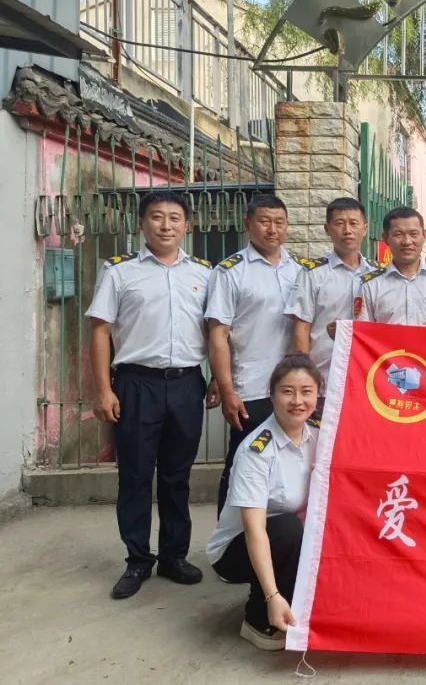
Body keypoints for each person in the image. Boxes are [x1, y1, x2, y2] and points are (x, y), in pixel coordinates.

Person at [86, 189, 216, 599]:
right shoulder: (119, 271)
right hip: (136, 384)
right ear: (142, 223)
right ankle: (138, 559)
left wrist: (216, 377)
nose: (165, 225)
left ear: (187, 225)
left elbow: (215, 331)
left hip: (186, 383)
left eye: (174, 218)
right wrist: (103, 389)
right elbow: (100, 331)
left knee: (177, 476)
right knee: (136, 476)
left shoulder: (204, 273)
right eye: (157, 217)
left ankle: (174, 556)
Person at [207, 354, 321, 651]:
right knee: (288, 529)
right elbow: (255, 529)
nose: (297, 401)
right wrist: (273, 596)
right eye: (287, 391)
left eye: (306, 392)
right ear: (271, 396)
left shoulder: (318, 437)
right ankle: (258, 617)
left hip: (286, 536)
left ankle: (295, 602)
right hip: (239, 548)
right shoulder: (256, 451)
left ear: (317, 395)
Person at [206, 194, 300, 514]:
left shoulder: (299, 270)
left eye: (279, 222)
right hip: (251, 387)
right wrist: (227, 389)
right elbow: (218, 335)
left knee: (287, 466)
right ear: (248, 223)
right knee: (242, 463)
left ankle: (273, 536)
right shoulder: (230, 271)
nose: (272, 229)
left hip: (292, 388)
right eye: (264, 222)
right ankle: (229, 537)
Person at [285, 197, 373, 383]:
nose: (347, 230)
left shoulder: (376, 275)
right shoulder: (312, 274)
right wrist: (306, 377)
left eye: (354, 223)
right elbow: (301, 327)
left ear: (365, 228)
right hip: (324, 376)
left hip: (366, 378)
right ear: (327, 229)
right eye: (339, 223)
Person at [358, 206, 426, 326]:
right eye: (398, 234)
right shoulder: (370, 286)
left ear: (424, 235)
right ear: (385, 238)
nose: (407, 241)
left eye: (413, 234)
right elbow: (363, 331)